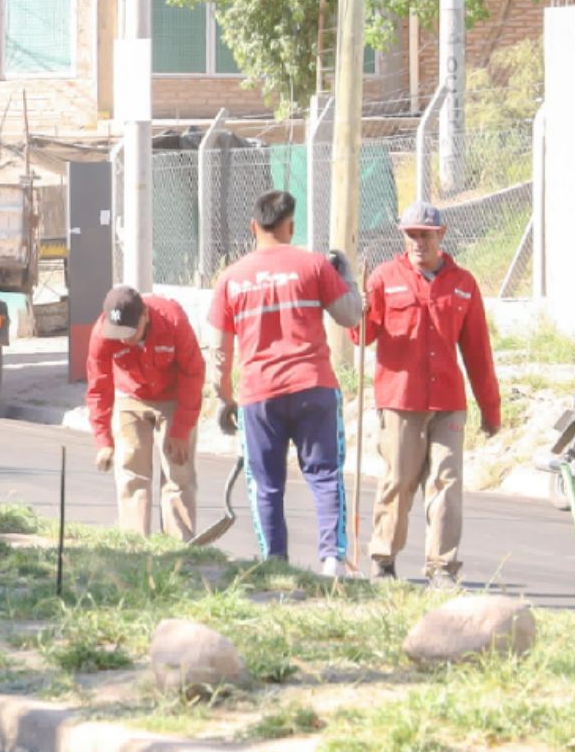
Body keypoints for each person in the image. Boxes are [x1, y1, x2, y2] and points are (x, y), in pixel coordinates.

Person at [207, 189, 366, 574]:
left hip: (259, 396)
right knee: (325, 474)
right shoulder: (313, 267)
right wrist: (348, 277)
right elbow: (350, 316)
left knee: (265, 483)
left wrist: (225, 399)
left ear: (254, 226)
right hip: (314, 387)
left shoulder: (232, 278)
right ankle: (332, 561)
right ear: (290, 226)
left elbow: (220, 352)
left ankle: (274, 563)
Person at [352, 202, 501, 585]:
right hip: (400, 399)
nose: (418, 242)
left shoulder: (463, 284)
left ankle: (442, 567)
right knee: (398, 479)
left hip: (448, 402)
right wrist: (361, 311)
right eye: (412, 235)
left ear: (442, 235)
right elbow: (362, 336)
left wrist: (490, 409)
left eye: (426, 234)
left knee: (447, 484)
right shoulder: (384, 277)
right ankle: (383, 559)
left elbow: (478, 351)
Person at [86, 283, 207, 539]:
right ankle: (134, 546)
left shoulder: (172, 319)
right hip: (130, 395)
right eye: (117, 332)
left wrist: (181, 429)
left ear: (145, 316)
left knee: (178, 472)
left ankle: (178, 547)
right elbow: (98, 387)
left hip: (173, 396)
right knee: (131, 471)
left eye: (130, 331)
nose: (123, 338)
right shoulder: (102, 333)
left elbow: (193, 372)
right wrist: (103, 440)